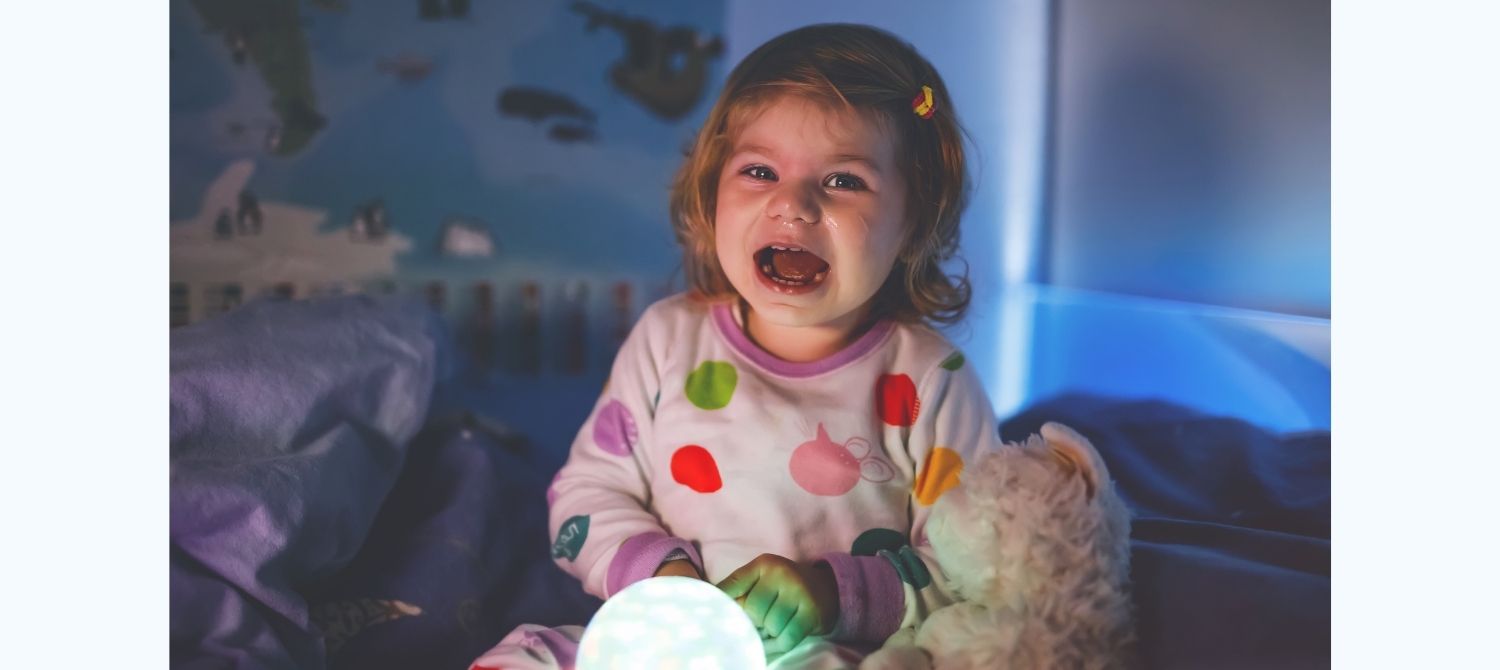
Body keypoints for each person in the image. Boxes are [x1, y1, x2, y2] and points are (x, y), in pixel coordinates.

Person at [472, 23, 999, 669]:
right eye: (759, 171)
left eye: (844, 181)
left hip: (825, 650)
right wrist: (659, 575)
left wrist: (833, 593)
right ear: (711, 190)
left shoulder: (930, 378)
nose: (793, 204)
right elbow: (586, 495)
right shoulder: (669, 340)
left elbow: (977, 571)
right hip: (667, 639)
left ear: (913, 224)